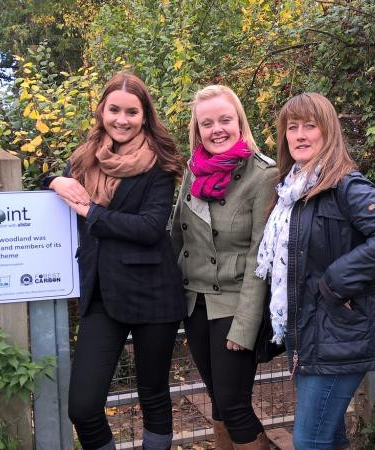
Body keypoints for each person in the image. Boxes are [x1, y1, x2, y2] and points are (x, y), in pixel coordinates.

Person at [255, 92, 375, 449]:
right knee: (329, 437)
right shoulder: (291, 192)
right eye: (292, 127)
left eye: (309, 126)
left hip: (339, 335)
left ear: (328, 131)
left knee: (309, 441)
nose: (299, 135)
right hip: (307, 334)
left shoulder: (345, 185)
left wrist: (335, 282)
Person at [44, 72, 187, 450]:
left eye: (131, 112)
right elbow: (60, 185)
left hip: (154, 292)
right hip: (102, 293)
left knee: (153, 393)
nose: (122, 120)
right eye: (114, 110)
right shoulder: (84, 158)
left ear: (145, 116)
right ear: (102, 111)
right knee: (83, 406)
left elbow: (151, 227)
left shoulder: (159, 163)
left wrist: (92, 213)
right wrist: (53, 182)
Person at [171, 85, 276, 449]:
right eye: (207, 123)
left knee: (234, 406)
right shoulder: (193, 170)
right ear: (197, 130)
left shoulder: (263, 175)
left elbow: (260, 256)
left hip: (234, 304)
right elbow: (177, 235)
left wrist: (245, 325)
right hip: (195, 303)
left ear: (240, 122)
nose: (217, 129)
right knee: (219, 399)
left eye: (225, 120)